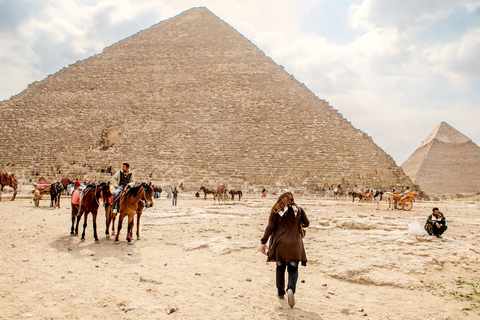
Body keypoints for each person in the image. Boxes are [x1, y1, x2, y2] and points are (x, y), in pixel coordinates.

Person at [260, 189, 309, 308]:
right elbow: (307, 223)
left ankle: (280, 292)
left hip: (280, 245)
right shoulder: (299, 209)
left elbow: (270, 227)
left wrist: (263, 242)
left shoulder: (275, 210)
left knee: (280, 267)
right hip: (295, 246)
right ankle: (291, 289)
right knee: (293, 269)